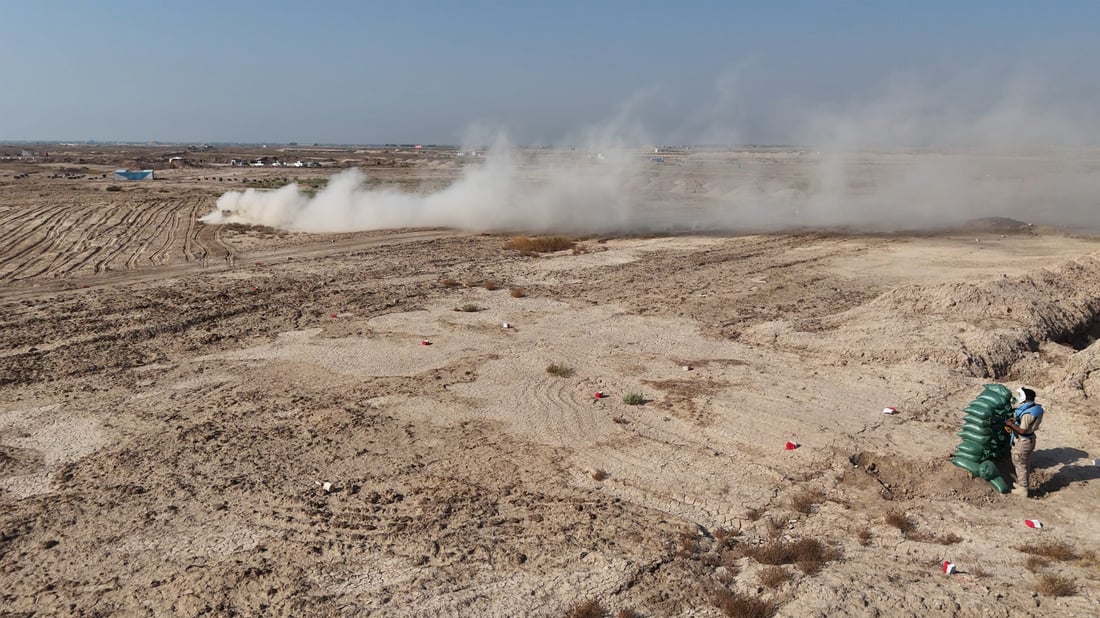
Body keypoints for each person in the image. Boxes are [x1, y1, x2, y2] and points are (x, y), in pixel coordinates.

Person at [1004, 387, 1045, 497]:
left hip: (1023, 441)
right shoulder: (1036, 408)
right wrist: (1016, 420)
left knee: (1019, 463)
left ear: (1025, 397)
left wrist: (1011, 425)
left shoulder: (1028, 413)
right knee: (1025, 463)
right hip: (1030, 440)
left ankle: (1023, 489)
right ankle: (1022, 484)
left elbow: (1023, 430)